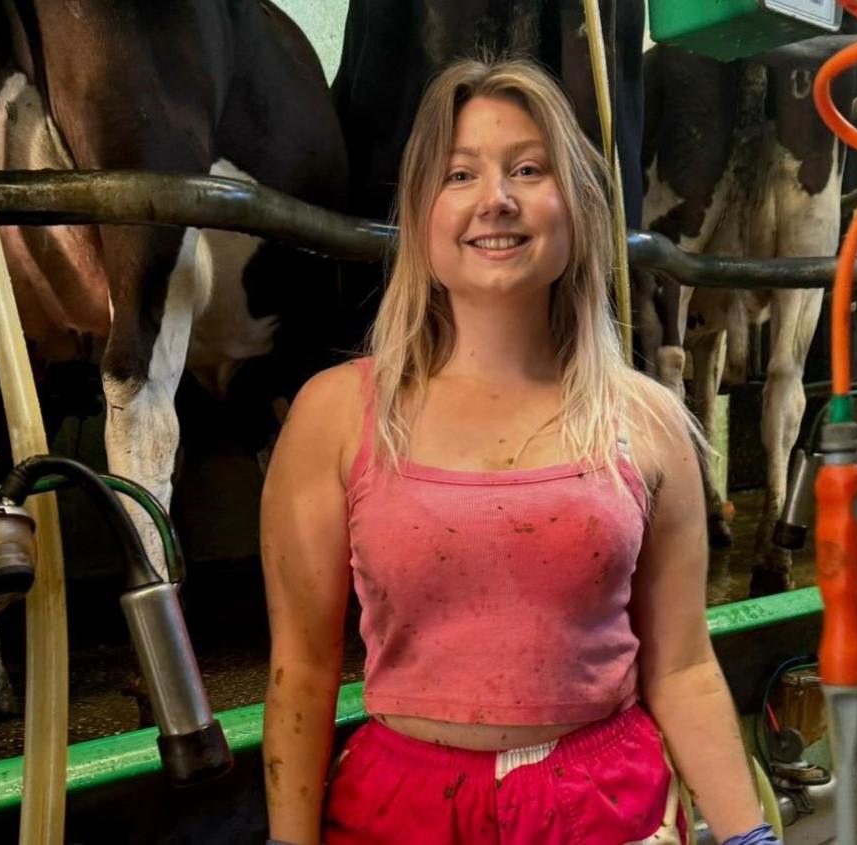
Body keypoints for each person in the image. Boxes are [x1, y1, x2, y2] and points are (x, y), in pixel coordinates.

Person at [260, 57, 775, 845]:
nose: (495, 199)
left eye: (528, 169)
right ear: (422, 209)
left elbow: (682, 667)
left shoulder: (651, 419)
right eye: (460, 173)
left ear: (576, 205)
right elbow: (302, 670)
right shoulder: (335, 416)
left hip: (606, 804)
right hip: (397, 809)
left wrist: (747, 835)